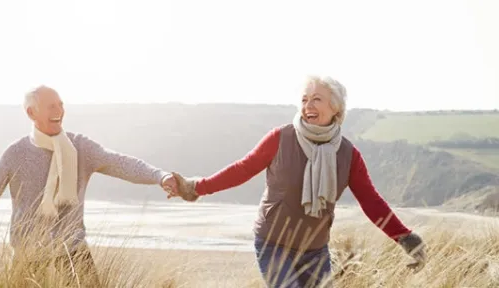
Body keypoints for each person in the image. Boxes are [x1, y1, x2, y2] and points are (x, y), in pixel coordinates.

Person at [167, 76, 427, 288]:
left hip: (315, 250)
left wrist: (406, 238)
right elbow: (242, 170)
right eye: (304, 100)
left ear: (335, 107)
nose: (307, 106)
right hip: (273, 243)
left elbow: (372, 202)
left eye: (316, 99)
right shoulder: (280, 138)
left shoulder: (348, 155)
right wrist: (196, 187)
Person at [0, 86, 179, 286]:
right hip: (28, 258)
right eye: (51, 106)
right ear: (31, 113)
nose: (59, 111)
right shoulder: (15, 153)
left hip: (74, 254)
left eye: (61, 105)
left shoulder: (79, 147)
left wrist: (160, 176)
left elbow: (120, 163)